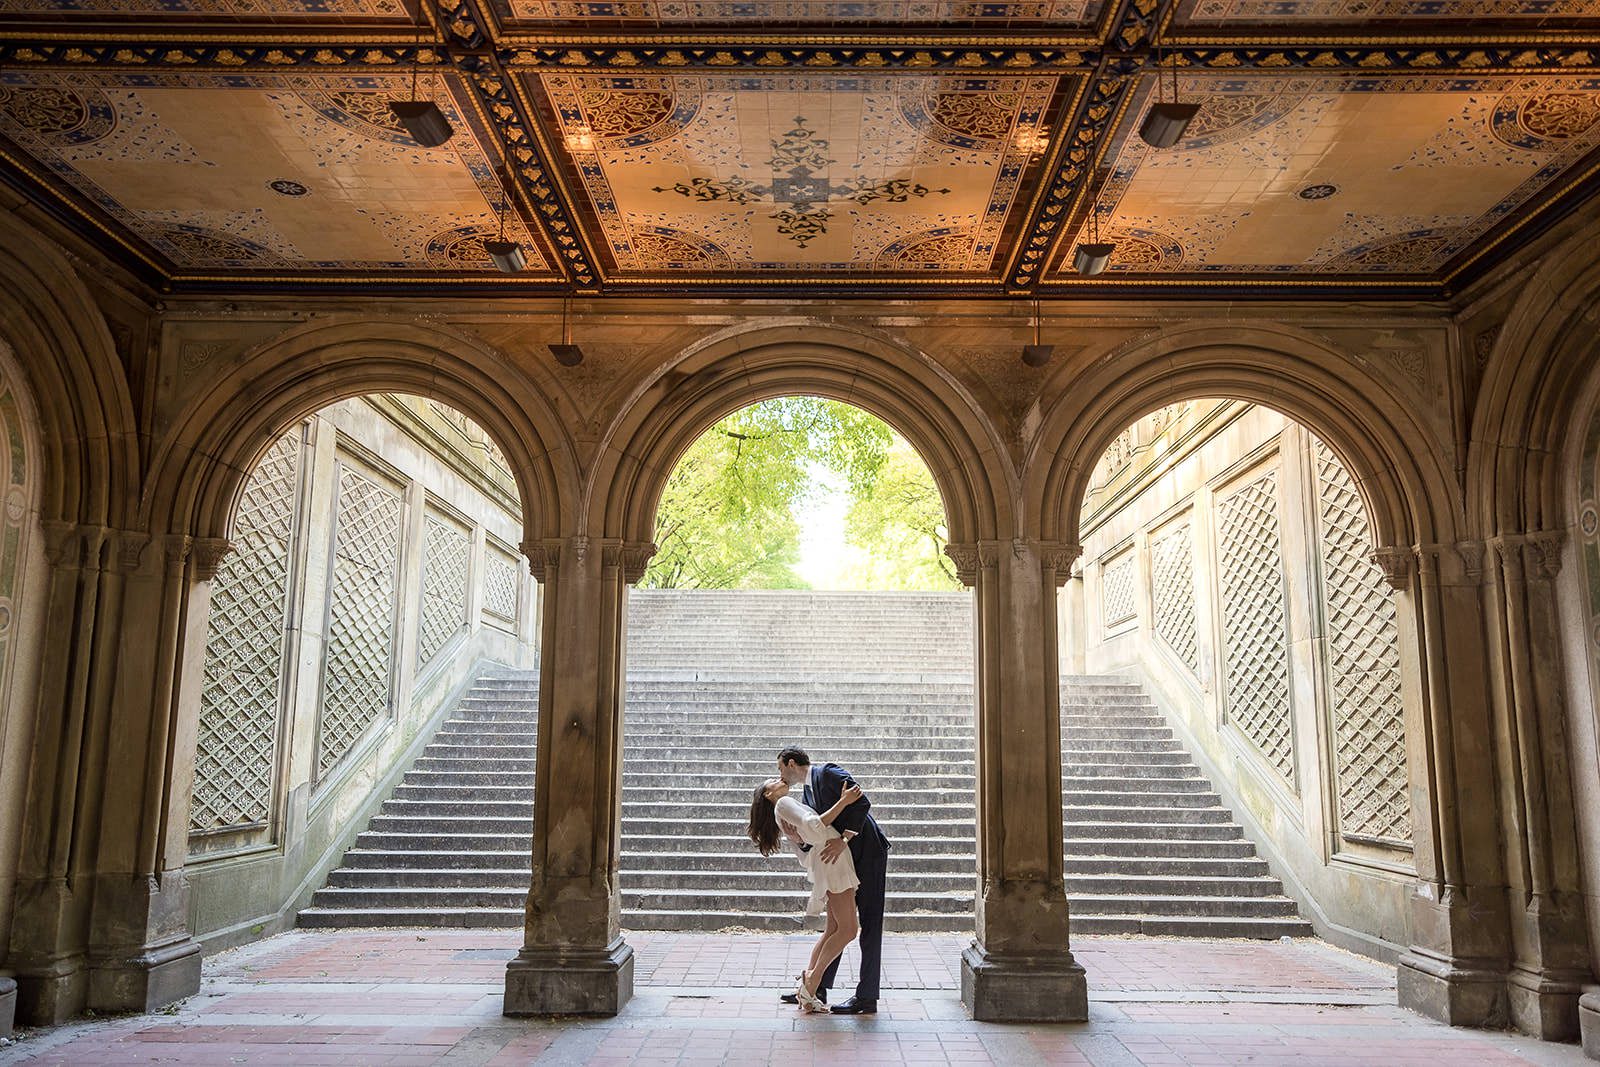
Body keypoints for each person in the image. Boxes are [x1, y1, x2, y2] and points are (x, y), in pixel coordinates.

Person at [773, 745, 889, 1015]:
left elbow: (861, 801)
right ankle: (816, 987)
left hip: (868, 853)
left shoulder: (828, 772)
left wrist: (844, 839)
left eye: (780, 768)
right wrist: (797, 838)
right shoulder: (807, 793)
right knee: (837, 925)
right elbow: (818, 834)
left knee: (868, 924)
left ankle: (866, 997)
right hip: (842, 862)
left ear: (791, 763)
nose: (779, 774)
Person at [747, 776, 863, 1011]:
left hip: (830, 860)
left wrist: (804, 840)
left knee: (833, 928)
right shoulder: (783, 804)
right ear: (769, 795)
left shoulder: (784, 809)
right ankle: (811, 981)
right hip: (832, 860)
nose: (778, 777)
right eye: (772, 780)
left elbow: (808, 839)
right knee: (849, 930)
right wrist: (844, 801)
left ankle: (808, 990)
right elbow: (816, 829)